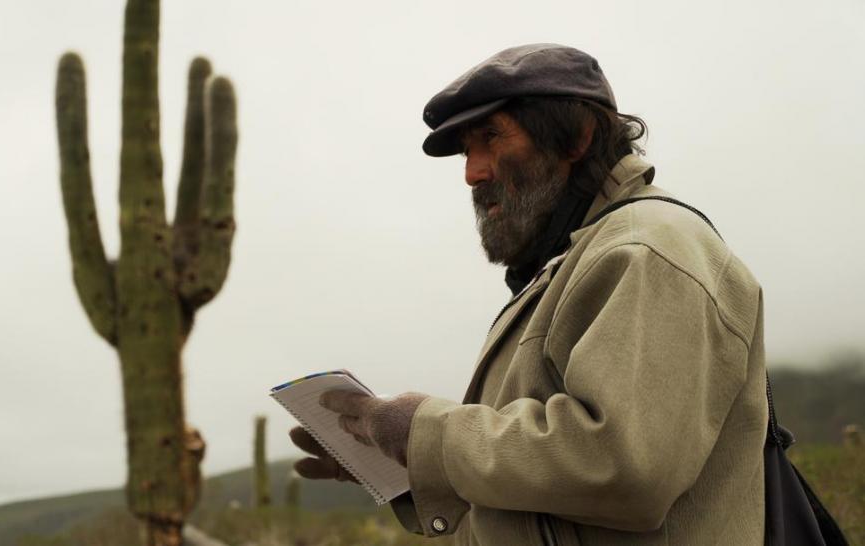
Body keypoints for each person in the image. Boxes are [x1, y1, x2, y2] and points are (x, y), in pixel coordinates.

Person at [289, 43, 768, 545]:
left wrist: (425, 434)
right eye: (467, 151)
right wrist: (411, 465)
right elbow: (551, 500)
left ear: (576, 138)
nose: (472, 173)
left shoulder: (646, 249)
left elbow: (625, 469)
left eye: (491, 137)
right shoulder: (572, 264)